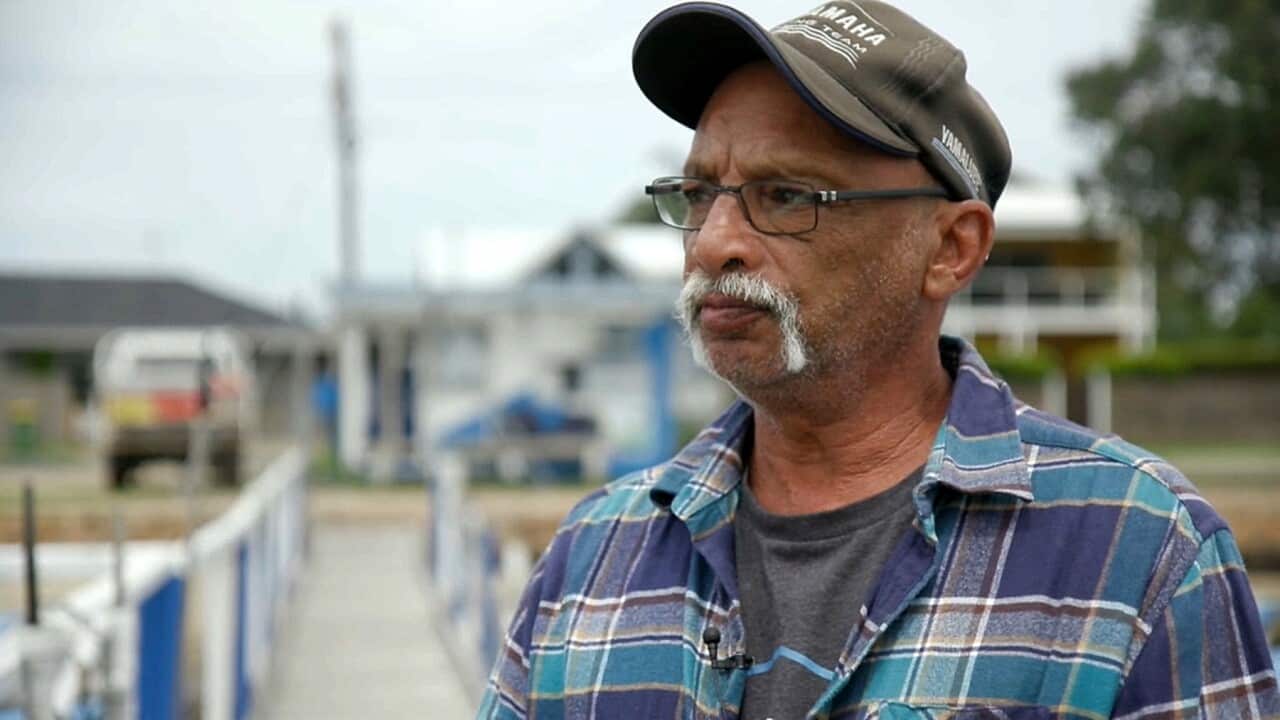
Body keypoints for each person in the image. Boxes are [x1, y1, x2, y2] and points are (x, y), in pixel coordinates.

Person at [478, 2, 1279, 718]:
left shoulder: (1135, 552)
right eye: (698, 195)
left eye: (788, 196)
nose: (717, 240)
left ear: (950, 249)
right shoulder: (592, 559)